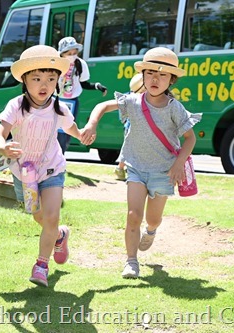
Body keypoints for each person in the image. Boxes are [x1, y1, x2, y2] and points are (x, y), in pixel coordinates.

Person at [81, 47, 202, 278]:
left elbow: (190, 138)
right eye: (150, 73)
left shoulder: (174, 108)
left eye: (163, 75)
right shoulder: (133, 101)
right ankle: (131, 261)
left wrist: (178, 164)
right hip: (136, 168)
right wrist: (92, 124)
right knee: (133, 215)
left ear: (172, 80)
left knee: (153, 218)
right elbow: (102, 106)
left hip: (163, 172)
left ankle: (152, 230)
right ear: (143, 76)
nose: (155, 79)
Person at [0, 45, 87, 287]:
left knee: (52, 216)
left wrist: (82, 135)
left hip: (53, 169)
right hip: (24, 173)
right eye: (36, 78)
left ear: (57, 81)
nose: (44, 85)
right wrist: (3, 147)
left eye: (51, 78)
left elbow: (71, 128)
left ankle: (41, 265)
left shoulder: (59, 107)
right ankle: (60, 236)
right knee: (40, 218)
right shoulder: (16, 105)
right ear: (24, 80)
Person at [57, 37, 108, 154]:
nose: (72, 55)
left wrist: (96, 86)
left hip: (72, 101)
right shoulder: (57, 65)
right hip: (57, 100)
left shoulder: (80, 64)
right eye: (69, 53)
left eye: (74, 53)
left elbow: (83, 83)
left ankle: (61, 157)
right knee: (55, 130)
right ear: (62, 54)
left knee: (67, 130)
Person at [114, 73, 147, 181]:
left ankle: (126, 169)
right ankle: (120, 168)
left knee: (133, 148)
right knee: (129, 148)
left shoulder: (130, 96)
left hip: (137, 127)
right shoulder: (134, 99)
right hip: (131, 127)